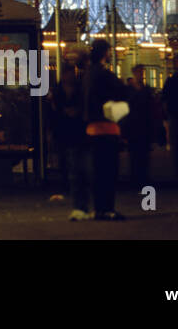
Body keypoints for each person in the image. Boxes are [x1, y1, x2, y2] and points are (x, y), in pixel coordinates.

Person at [82, 40, 129, 220]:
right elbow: (122, 92)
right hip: (107, 128)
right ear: (105, 53)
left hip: (91, 129)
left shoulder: (87, 75)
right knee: (109, 172)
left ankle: (99, 208)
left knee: (97, 172)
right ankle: (108, 208)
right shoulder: (104, 74)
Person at [52, 60, 89, 220]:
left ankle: (78, 200)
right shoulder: (72, 90)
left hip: (73, 131)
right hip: (68, 130)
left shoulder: (60, 91)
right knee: (72, 164)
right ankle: (78, 198)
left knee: (75, 164)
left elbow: (53, 111)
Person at [123, 65, 159, 188]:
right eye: (138, 72)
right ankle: (136, 176)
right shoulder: (135, 90)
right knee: (134, 152)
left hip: (143, 123)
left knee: (143, 152)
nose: (140, 74)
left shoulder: (140, 90)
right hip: (134, 123)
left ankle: (141, 175)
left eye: (141, 72)